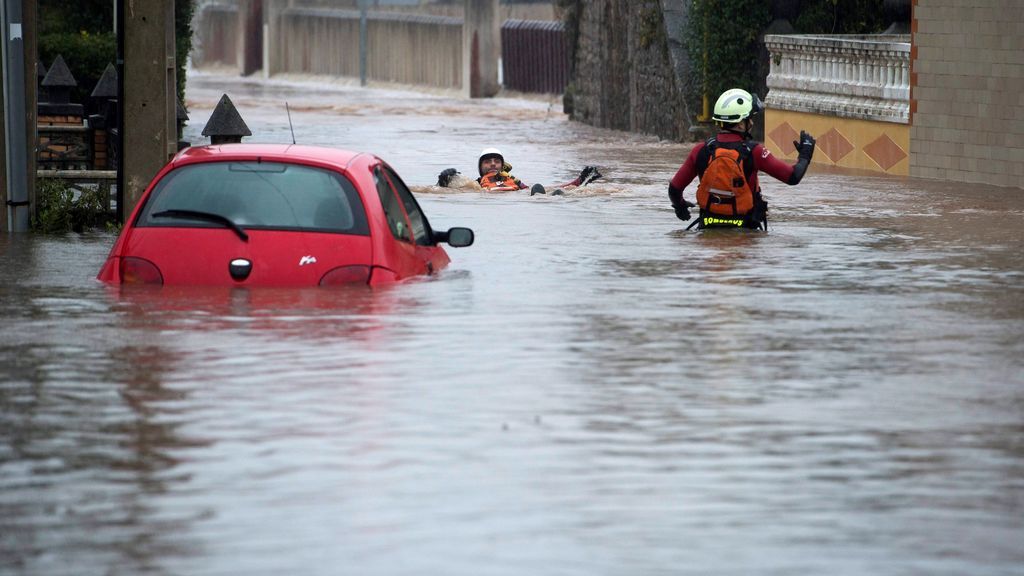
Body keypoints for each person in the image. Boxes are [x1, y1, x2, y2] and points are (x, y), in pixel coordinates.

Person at [668, 88, 816, 230]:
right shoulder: (755, 152)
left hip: (707, 228)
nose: (751, 123)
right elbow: (792, 176)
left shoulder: (700, 150)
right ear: (740, 124)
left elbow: (674, 189)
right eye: (749, 119)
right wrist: (805, 154)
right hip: (746, 233)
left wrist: (680, 207)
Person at [437, 148, 602, 195]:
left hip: (520, 196)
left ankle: (554, 198)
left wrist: (579, 181)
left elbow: (541, 188)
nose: (493, 164)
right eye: (488, 162)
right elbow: (444, 191)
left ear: (502, 165)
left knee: (541, 191)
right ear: (481, 167)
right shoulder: (476, 184)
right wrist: (444, 181)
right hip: (494, 197)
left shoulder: (514, 181)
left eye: (497, 161)